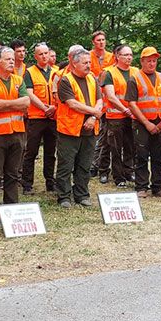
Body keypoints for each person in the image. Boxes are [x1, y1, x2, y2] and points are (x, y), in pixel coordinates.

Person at [0, 46, 30, 224]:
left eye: (12, 59)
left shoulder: (18, 80)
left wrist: (5, 104)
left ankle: (11, 208)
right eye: (8, 59)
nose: (12, 62)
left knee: (13, 173)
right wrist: (16, 103)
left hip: (17, 133)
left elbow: (26, 102)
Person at [55, 48, 102, 208]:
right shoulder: (65, 80)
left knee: (85, 163)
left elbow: (100, 100)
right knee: (66, 164)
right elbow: (72, 103)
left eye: (89, 62)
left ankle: (82, 194)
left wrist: (94, 117)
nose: (89, 65)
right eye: (85, 63)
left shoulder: (93, 78)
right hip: (70, 130)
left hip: (90, 129)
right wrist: (94, 112)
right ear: (74, 64)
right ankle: (64, 196)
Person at [126, 47, 161, 199]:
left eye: (154, 61)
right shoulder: (134, 78)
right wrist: (146, 123)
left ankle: (157, 187)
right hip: (142, 124)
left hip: (160, 122)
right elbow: (132, 103)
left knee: (159, 156)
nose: (152, 64)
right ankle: (141, 186)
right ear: (142, 61)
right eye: (148, 61)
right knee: (141, 155)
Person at [22, 42, 57, 194]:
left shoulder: (56, 72)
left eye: (46, 53)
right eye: (40, 54)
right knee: (31, 151)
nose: (44, 56)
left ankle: (50, 182)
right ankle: (27, 185)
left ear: (50, 54)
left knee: (50, 152)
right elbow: (29, 93)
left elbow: (60, 93)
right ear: (35, 56)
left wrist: (54, 108)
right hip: (37, 117)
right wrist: (44, 108)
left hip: (54, 116)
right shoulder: (29, 72)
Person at [100, 44, 137, 187]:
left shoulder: (136, 72)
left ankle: (129, 171)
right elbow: (111, 96)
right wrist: (125, 109)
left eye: (130, 55)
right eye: (125, 55)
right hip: (115, 117)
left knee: (131, 145)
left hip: (132, 116)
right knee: (115, 147)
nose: (129, 58)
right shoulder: (109, 73)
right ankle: (118, 176)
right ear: (117, 56)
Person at [89, 31, 114, 184]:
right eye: (98, 40)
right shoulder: (87, 56)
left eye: (103, 40)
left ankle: (100, 165)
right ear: (93, 42)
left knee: (106, 136)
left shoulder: (111, 57)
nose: (101, 42)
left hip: (109, 102)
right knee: (94, 134)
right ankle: (92, 164)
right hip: (93, 101)